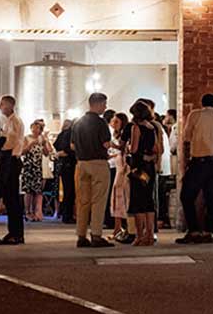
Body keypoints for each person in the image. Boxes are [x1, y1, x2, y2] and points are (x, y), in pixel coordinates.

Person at [177, 92, 213, 244]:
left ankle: (194, 231)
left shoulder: (195, 115)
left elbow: (186, 136)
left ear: (202, 103)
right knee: (211, 198)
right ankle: (209, 231)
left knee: (186, 196)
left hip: (200, 161)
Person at [69, 93, 114, 248]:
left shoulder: (78, 123)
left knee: (82, 201)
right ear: (98, 104)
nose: (105, 107)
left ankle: (81, 236)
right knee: (98, 200)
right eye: (104, 104)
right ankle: (96, 235)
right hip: (98, 163)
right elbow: (106, 144)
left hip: (81, 164)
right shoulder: (101, 123)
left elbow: (72, 146)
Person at [0, 95, 27, 245]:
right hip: (9, 161)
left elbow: (10, 142)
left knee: (12, 199)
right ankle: (13, 232)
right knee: (10, 198)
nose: (0, 107)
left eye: (2, 104)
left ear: (10, 106)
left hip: (11, 161)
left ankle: (16, 234)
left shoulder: (15, 121)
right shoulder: (9, 122)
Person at [124, 100, 160, 246]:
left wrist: (127, 148)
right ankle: (150, 235)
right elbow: (156, 148)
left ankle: (139, 236)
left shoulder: (136, 128)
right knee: (148, 201)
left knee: (137, 201)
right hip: (149, 167)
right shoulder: (152, 127)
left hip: (138, 168)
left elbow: (134, 149)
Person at [20, 119, 52, 221]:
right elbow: (22, 152)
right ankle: (27, 212)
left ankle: (35, 212)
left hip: (38, 167)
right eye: (34, 127)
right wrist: (31, 144)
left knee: (37, 191)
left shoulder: (41, 139)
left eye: (38, 128)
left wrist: (44, 143)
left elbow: (47, 153)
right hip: (29, 167)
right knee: (28, 191)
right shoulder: (26, 138)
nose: (35, 129)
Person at [107, 111, 131, 242]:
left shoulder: (125, 136)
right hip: (117, 168)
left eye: (116, 121)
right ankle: (117, 228)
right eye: (113, 121)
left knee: (122, 196)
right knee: (116, 196)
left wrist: (113, 146)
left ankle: (124, 227)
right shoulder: (115, 135)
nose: (113, 124)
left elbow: (123, 150)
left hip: (123, 169)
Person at [53, 119, 77, 223]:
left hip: (63, 164)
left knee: (67, 190)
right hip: (71, 164)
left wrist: (60, 153)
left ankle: (65, 214)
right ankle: (69, 215)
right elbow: (71, 148)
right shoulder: (72, 134)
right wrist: (68, 152)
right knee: (71, 190)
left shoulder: (62, 134)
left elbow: (56, 145)